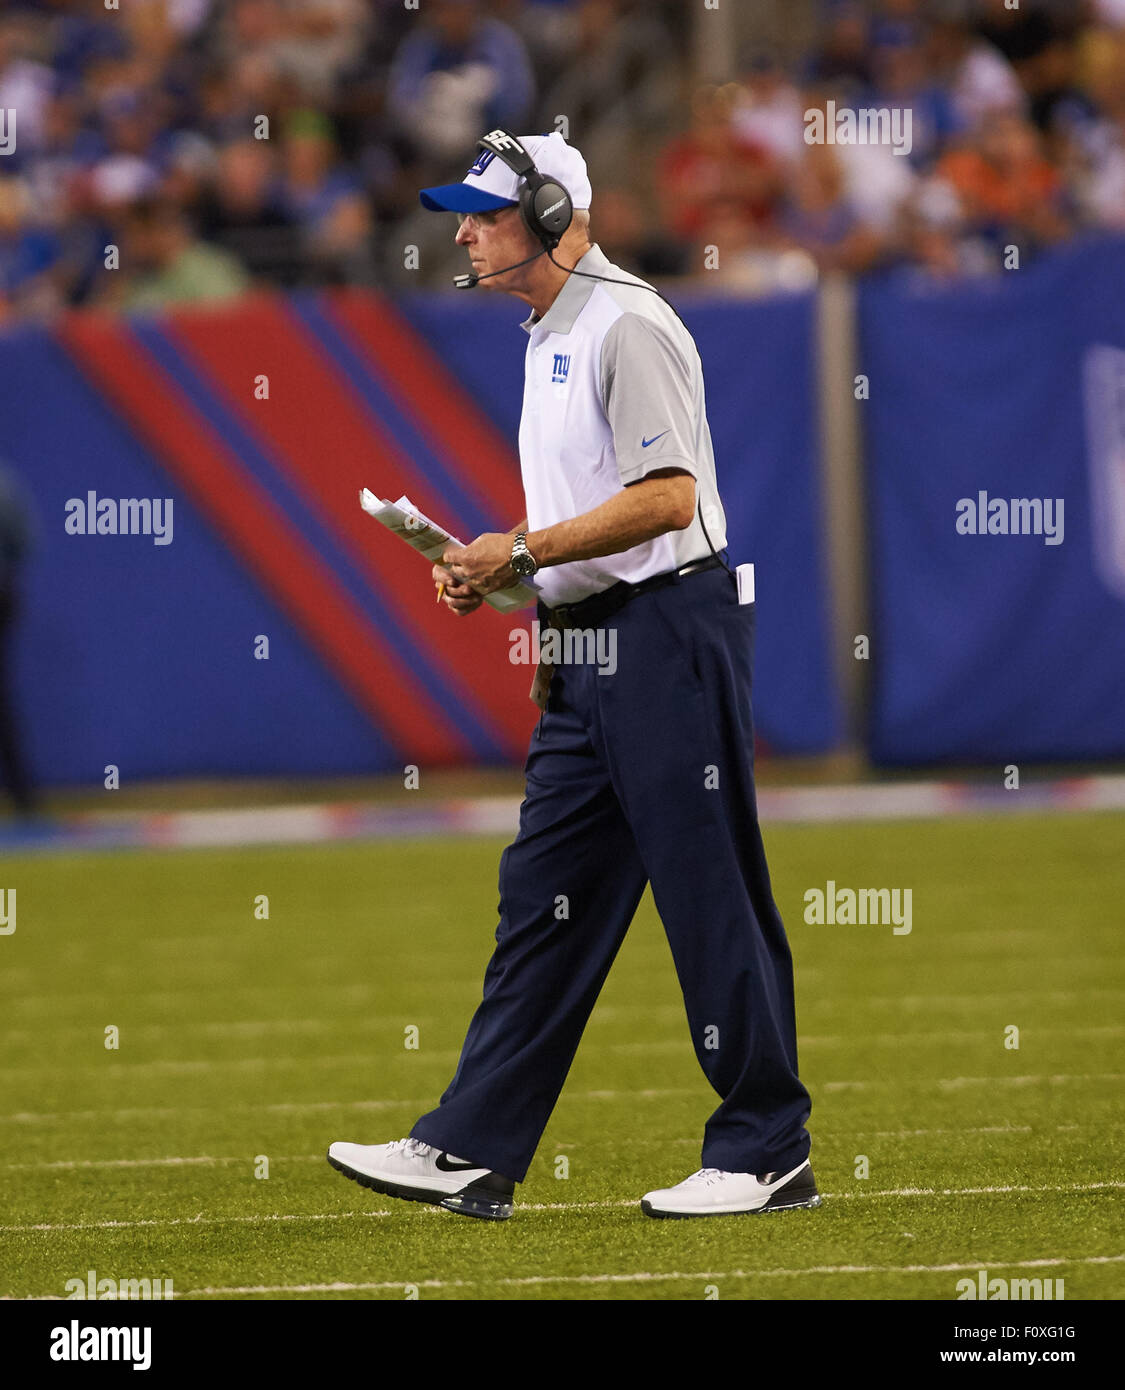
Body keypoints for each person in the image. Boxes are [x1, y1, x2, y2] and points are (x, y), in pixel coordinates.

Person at [328, 130, 817, 1221]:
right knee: (540, 899)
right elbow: (582, 530)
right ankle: (471, 1146)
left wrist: (526, 550)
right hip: (591, 642)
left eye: (484, 213)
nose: (461, 231)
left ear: (553, 215)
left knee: (707, 888)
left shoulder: (625, 322)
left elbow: (669, 498)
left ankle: (766, 1146)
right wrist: (499, 575)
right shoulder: (552, 328)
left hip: (666, 636)